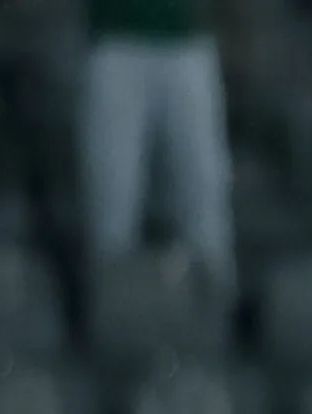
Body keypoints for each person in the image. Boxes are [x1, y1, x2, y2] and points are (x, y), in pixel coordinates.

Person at [82, 0, 233, 281]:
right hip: (117, 41)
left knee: (202, 180)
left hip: (187, 40)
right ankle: (112, 300)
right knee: (115, 188)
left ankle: (217, 296)